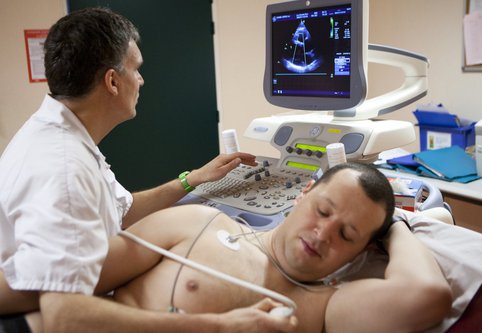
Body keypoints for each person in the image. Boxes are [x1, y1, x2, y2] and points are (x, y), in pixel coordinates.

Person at [0, 7, 297, 333]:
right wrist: (222, 326)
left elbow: (119, 212)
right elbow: (65, 318)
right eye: (136, 69)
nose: (141, 80)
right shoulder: (63, 169)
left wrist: (191, 180)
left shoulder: (63, 134)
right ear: (112, 81)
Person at [91, 162, 452, 333]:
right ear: (302, 194)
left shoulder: (322, 305)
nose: (323, 233)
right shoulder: (196, 223)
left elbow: (426, 295)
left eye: (347, 235)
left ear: (361, 252)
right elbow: (65, 289)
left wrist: (399, 225)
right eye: (322, 211)